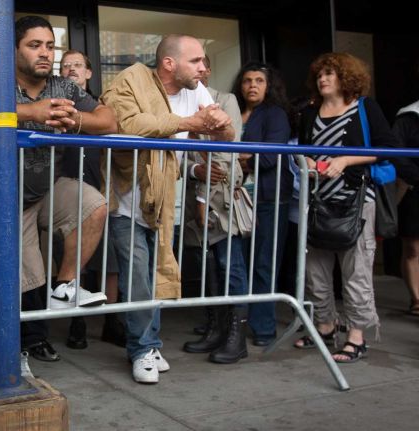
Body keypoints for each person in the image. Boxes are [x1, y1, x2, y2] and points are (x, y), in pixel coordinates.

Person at [0, 16, 116, 361]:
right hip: (3, 197)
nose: (45, 53)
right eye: (34, 45)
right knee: (21, 280)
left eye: (49, 45)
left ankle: (66, 285)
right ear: (13, 49)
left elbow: (109, 120)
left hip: (45, 189)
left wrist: (77, 119)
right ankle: (6, 353)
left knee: (93, 205)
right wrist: (31, 112)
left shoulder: (65, 87)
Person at [101, 34, 235, 383]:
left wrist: (219, 125)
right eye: (197, 61)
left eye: (205, 61)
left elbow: (228, 134)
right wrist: (193, 124)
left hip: (166, 201)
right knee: (138, 280)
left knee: (158, 272)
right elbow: (131, 125)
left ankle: (150, 343)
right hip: (128, 199)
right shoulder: (131, 79)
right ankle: (142, 349)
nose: (204, 68)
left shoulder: (195, 91)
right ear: (169, 64)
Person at [294, 52, 398, 363]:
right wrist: (310, 163)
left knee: (357, 271)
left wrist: (345, 160)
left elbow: (388, 149)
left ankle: (357, 336)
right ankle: (326, 327)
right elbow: (302, 152)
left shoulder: (365, 108)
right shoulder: (310, 113)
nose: (322, 79)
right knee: (316, 271)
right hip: (317, 201)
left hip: (356, 200)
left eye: (330, 73)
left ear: (345, 77)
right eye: (319, 75)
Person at [182, 55, 250, 364]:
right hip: (191, 193)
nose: (198, 70)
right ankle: (215, 328)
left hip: (220, 198)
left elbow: (226, 152)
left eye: (202, 65)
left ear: (208, 70)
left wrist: (202, 195)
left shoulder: (226, 100)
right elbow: (175, 152)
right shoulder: (178, 103)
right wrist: (195, 169)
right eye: (191, 63)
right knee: (205, 265)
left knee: (229, 264)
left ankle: (236, 336)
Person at [59, 49, 124, 349]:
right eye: (65, 66)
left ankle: (112, 321)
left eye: (77, 65)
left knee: (109, 261)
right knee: (76, 262)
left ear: (88, 73)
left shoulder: (102, 108)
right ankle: (77, 323)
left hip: (102, 192)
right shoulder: (56, 106)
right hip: (67, 194)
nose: (71, 70)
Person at [231, 61, 292, 347]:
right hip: (235, 199)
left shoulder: (275, 114)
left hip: (268, 199)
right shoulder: (234, 113)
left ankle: (264, 328)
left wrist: (239, 157)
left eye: (259, 81)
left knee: (264, 264)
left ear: (269, 86)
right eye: (247, 80)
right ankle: (233, 324)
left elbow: (270, 158)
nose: (252, 85)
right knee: (237, 264)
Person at [394, 99, 419, 316]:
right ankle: (417, 299)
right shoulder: (408, 116)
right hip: (414, 188)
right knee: (413, 248)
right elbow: (397, 154)